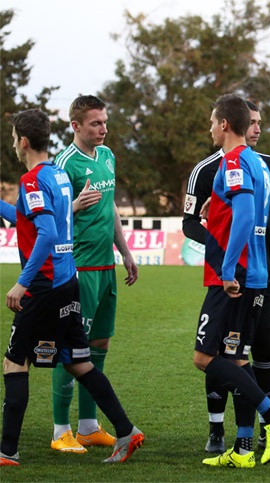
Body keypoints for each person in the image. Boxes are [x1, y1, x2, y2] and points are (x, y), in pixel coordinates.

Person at [0, 109, 143, 467]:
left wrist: (22, 282)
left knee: (15, 364)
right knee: (80, 362)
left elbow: (47, 233)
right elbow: (26, 218)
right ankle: (126, 431)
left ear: (23, 142)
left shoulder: (32, 180)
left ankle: (6, 452)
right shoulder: (59, 175)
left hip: (44, 287)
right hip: (69, 283)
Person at [183, 100, 270, 454]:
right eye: (253, 122)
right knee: (236, 358)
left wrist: (226, 266)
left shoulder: (236, 161)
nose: (209, 128)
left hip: (236, 276)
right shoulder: (257, 165)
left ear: (223, 124)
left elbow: (248, 215)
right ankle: (242, 445)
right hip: (255, 274)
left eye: (210, 122)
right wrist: (219, 206)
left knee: (205, 358)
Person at [50, 95, 138, 453]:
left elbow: (111, 205)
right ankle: (61, 431)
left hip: (105, 267)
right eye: (95, 124)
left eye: (104, 122)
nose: (104, 129)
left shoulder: (107, 156)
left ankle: (88, 427)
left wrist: (126, 250)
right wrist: (73, 205)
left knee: (98, 345)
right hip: (79, 269)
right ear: (75, 126)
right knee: (72, 351)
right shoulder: (64, 164)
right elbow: (50, 220)